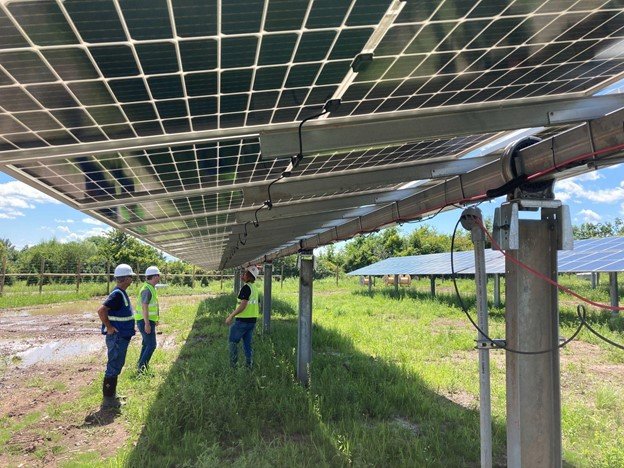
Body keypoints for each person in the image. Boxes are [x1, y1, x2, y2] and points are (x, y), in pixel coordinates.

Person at [97, 264, 136, 409]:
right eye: (130, 276)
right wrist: (109, 327)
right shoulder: (117, 294)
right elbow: (101, 311)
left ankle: (112, 395)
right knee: (113, 366)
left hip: (122, 336)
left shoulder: (120, 293)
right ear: (126, 278)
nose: (132, 279)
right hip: (117, 337)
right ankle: (108, 400)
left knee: (117, 365)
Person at [225, 265, 260, 368]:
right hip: (252, 322)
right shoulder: (254, 288)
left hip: (242, 321)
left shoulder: (246, 288)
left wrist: (231, 316)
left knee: (232, 342)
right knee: (247, 345)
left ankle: (233, 366)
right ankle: (249, 365)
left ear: (249, 276)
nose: (242, 275)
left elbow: (243, 305)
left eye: (244, 273)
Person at [136, 265, 161, 373]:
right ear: (155, 276)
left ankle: (140, 365)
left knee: (146, 343)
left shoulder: (151, 287)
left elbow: (152, 306)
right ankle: (142, 368)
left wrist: (155, 319)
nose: (159, 277)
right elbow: (144, 307)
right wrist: (147, 324)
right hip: (144, 320)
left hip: (147, 320)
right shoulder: (147, 289)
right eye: (158, 275)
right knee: (151, 345)